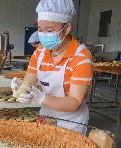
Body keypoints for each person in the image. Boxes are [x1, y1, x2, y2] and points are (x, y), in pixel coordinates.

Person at [12, 0, 94, 134]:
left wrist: (41, 98)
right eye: (40, 29)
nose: (43, 35)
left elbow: (74, 102)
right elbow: (28, 82)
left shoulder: (81, 57)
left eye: (49, 30)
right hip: (46, 118)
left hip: (71, 123)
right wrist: (20, 87)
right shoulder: (39, 53)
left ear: (66, 28)